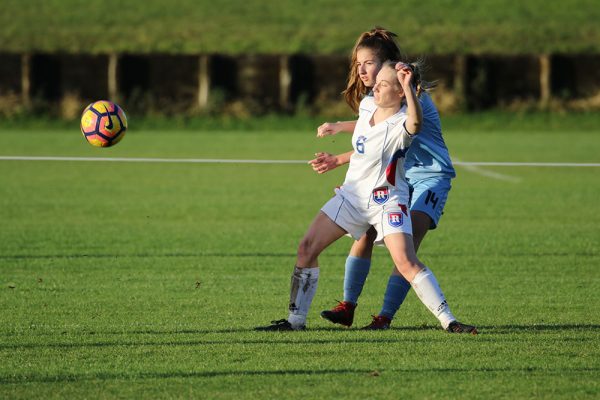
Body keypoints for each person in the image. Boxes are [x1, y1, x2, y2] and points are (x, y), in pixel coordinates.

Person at [256, 61, 476, 334]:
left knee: (406, 261)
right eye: (378, 82)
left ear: (399, 93)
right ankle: (294, 322)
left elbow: (416, 122)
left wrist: (408, 87)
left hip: (387, 201)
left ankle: (449, 321)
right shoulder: (367, 105)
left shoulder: (402, 123)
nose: (376, 87)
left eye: (384, 85)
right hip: (352, 196)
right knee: (306, 248)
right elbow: (363, 134)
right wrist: (337, 139)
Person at [311, 28, 458, 330]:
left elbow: (398, 130)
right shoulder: (378, 95)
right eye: (357, 64)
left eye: (367, 63)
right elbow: (375, 137)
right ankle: (347, 306)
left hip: (429, 176)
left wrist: (340, 143)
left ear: (390, 64)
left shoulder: (409, 93)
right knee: (364, 230)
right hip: (397, 175)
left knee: (406, 250)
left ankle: (384, 317)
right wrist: (340, 154)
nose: (360, 70)